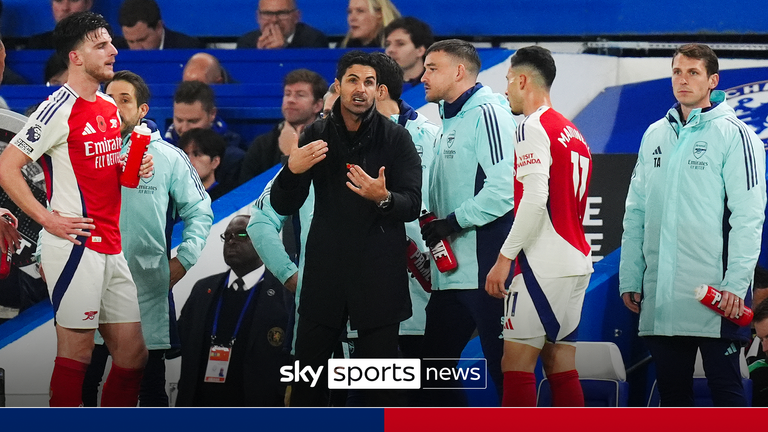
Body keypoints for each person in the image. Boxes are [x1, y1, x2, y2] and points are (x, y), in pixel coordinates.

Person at [0, 11, 153, 407]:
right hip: (76, 246)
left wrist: (129, 165)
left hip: (111, 245)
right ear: (76, 57)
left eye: (110, 42)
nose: (113, 50)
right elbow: (7, 167)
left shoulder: (106, 106)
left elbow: (100, 170)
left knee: (133, 356)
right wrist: (48, 218)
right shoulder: (56, 109)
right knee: (77, 356)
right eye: (101, 45)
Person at [269, 50, 421, 407]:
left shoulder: (396, 139)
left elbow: (411, 203)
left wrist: (383, 197)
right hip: (325, 278)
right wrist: (292, 170)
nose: (361, 89)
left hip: (378, 279)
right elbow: (283, 204)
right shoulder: (316, 134)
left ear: (378, 90)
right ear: (338, 86)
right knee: (309, 385)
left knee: (376, 391)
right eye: (353, 80)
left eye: (369, 82)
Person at [619, 43, 766, 407]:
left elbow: (749, 216)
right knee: (672, 396)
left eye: (693, 72)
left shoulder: (736, 134)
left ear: (712, 80)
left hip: (716, 297)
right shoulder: (654, 134)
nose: (683, 80)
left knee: (727, 392)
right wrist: (630, 277)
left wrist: (735, 284)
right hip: (662, 297)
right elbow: (636, 211)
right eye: (677, 72)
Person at [81, 70, 213, 407]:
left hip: (146, 290)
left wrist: (184, 259)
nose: (115, 106)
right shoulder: (84, 154)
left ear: (143, 110)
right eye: (109, 98)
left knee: (149, 390)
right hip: (91, 285)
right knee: (84, 386)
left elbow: (199, 210)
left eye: (124, 100)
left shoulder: (169, 157)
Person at [485, 46, 593, 407]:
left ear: (522, 80)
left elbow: (534, 200)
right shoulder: (573, 131)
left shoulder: (532, 125)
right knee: (559, 363)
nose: (505, 90)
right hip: (575, 260)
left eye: (506, 81)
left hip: (542, 265)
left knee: (514, 365)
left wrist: (504, 258)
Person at [418, 39, 516, 406]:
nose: (423, 76)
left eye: (432, 68)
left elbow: (505, 187)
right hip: (450, 273)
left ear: (459, 72)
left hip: (484, 271)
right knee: (431, 371)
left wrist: (453, 222)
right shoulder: (448, 118)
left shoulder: (488, 113)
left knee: (505, 370)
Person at [176, 215, 292, 407]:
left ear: (263, 241)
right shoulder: (203, 289)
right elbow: (181, 337)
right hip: (200, 403)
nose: (231, 240)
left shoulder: (284, 293)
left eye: (241, 234)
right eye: (227, 236)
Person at [239, 69, 326, 183]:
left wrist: (289, 154)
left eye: (300, 95)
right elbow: (246, 190)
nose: (290, 100)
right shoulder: (262, 144)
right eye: (287, 94)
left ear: (317, 105)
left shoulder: (326, 141)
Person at [164, 81, 245, 191]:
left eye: (193, 121)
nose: (184, 128)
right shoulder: (161, 152)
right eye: (179, 120)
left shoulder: (233, 157)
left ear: (212, 114)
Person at [237, 0, 328, 49]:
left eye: (282, 13)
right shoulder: (246, 43)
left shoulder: (314, 40)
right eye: (267, 14)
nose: (274, 20)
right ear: (258, 17)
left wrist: (284, 49)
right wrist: (260, 55)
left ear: (297, 17)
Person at [119, 0, 202, 50]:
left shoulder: (187, 48)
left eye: (142, 40)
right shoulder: (115, 49)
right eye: (131, 41)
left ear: (159, 27)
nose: (137, 49)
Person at [178, 127, 234, 201]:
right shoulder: (171, 199)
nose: (189, 161)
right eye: (185, 155)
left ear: (215, 162)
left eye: (197, 155)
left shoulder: (227, 198)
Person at [384, 17, 433, 92]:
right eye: (388, 44)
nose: (390, 50)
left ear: (420, 50)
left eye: (400, 44)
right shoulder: (380, 85)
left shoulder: (436, 84)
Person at [26, 0, 97, 50]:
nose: (65, 8)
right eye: (59, 0)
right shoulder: (38, 43)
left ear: (88, 4)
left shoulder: (101, 42)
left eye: (74, 0)